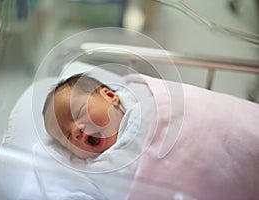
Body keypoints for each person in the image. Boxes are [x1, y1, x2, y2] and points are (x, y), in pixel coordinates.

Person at [41, 72, 259, 200]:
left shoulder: (146, 100)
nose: (77, 131)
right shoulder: (101, 170)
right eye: (68, 137)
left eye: (79, 113)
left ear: (110, 96)